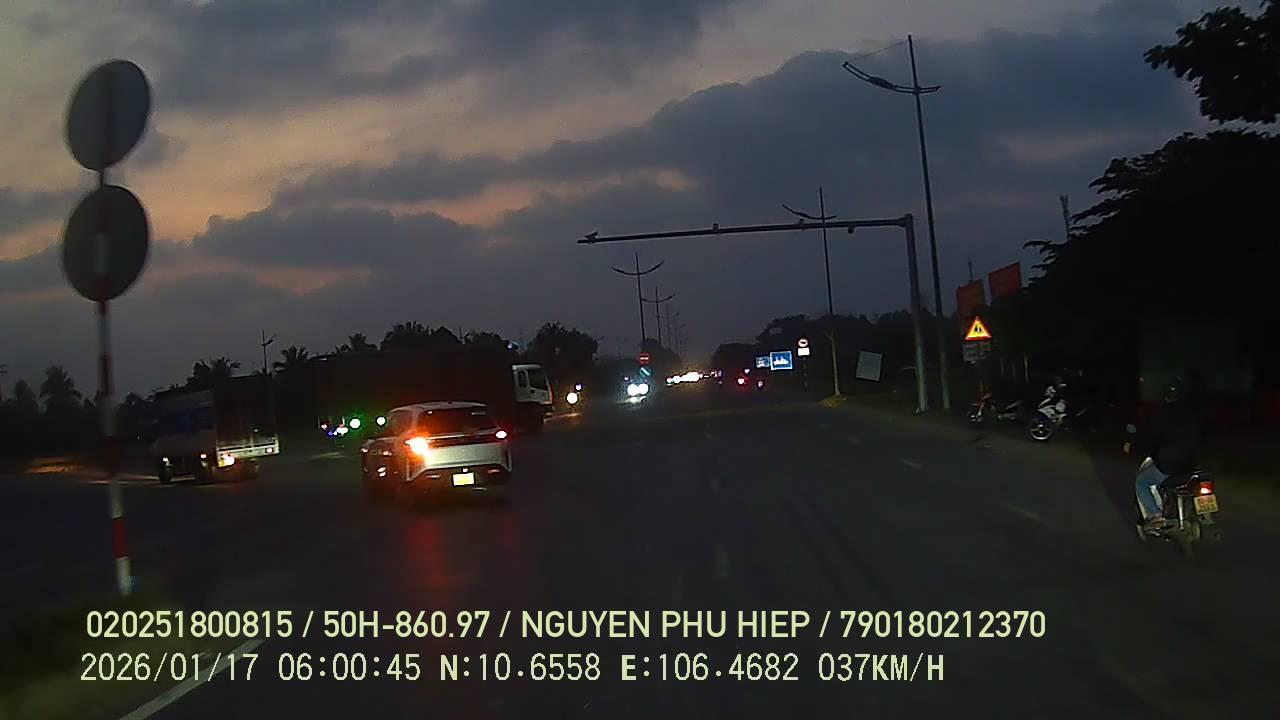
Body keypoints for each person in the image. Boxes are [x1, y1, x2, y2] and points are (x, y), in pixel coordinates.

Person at [1124, 376, 1205, 529]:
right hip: (1190, 463)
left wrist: (1132, 447)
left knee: (1142, 481)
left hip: (1169, 464)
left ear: (1166, 396)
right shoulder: (1191, 413)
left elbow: (1149, 437)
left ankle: (1155, 515)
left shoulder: (1162, 415)